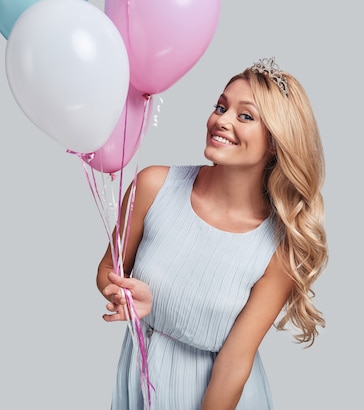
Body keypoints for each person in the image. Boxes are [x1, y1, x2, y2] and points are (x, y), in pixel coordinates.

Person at [96, 57, 329, 410]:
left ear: (275, 143)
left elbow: (235, 363)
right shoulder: (153, 185)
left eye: (245, 115)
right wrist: (124, 296)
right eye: (221, 106)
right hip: (141, 379)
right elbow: (107, 271)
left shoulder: (278, 248)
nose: (221, 120)